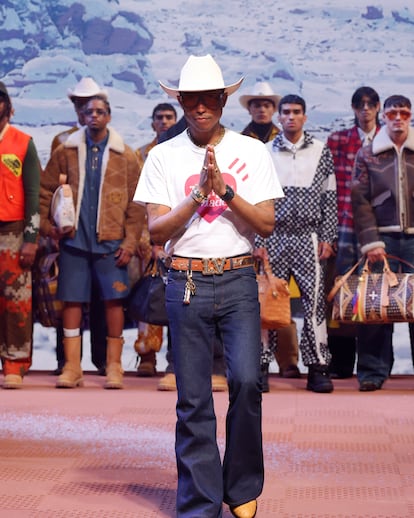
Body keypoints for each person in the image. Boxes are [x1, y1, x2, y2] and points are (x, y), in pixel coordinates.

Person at [134, 54, 283, 518]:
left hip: (238, 277)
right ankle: (200, 501)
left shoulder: (252, 151)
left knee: (244, 381)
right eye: (191, 99)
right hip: (186, 280)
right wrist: (199, 193)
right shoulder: (163, 154)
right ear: (180, 101)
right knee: (193, 396)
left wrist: (226, 190)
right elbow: (156, 231)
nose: (200, 107)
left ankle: (239, 488)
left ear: (223, 100)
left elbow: (267, 224)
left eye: (209, 99)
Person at [40, 94, 144, 389]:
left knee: (114, 302)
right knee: (71, 301)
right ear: (82, 116)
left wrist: (130, 242)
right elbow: (47, 191)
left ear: (109, 116)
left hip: (111, 243)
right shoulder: (66, 151)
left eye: (100, 111)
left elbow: (137, 204)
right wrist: (50, 227)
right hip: (74, 241)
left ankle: (114, 365)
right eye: (89, 112)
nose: (94, 116)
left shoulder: (126, 156)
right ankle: (72, 367)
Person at [255, 94, 337, 393]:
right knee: (266, 303)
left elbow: (330, 197)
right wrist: (258, 238)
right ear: (278, 117)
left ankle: (318, 368)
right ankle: (261, 368)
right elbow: (256, 199)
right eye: (286, 112)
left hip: (308, 237)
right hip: (273, 237)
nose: (290, 117)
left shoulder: (320, 151)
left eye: (296, 112)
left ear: (305, 116)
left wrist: (327, 237)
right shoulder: (264, 151)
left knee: (314, 303)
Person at [240, 81, 301, 387]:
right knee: (260, 296)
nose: (262, 109)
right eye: (256, 105)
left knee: (283, 294)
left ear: (273, 109)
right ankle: (258, 365)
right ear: (249, 108)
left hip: (293, 228)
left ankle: (289, 361)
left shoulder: (285, 140)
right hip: (257, 226)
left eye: (267, 105)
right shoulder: (239, 142)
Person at [351, 94, 414, 391]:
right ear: (384, 117)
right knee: (376, 307)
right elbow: (360, 201)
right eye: (392, 113)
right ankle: (372, 372)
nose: (398, 118)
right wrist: (371, 241)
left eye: (403, 112)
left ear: (410, 115)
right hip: (382, 240)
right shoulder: (368, 153)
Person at [49, 77, 110, 376]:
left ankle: (102, 360)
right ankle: (68, 362)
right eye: (79, 104)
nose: (85, 110)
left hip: (101, 234)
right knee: (70, 296)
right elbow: (54, 190)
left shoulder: (111, 143)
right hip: (73, 233)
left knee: (102, 297)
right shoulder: (62, 142)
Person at [326, 86, 381, 379]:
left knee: (380, 293)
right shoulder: (339, 141)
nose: (366, 109)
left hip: (380, 226)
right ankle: (342, 363)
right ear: (353, 108)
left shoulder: (388, 140)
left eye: (371, 104)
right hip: (345, 224)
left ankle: (375, 366)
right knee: (344, 292)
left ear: (378, 107)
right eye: (360, 104)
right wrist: (329, 232)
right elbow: (327, 188)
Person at [0, 81, 41, 389]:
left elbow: (33, 194)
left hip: (13, 232)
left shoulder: (22, 142)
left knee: (15, 302)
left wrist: (31, 238)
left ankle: (14, 362)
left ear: (7, 106)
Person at [133, 103, 177, 378]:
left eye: (169, 117)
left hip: (179, 237)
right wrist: (146, 240)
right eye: (159, 118)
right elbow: (139, 201)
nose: (164, 122)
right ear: (152, 123)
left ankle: (178, 359)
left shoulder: (185, 153)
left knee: (179, 300)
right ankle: (147, 356)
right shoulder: (142, 155)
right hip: (150, 237)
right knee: (152, 296)